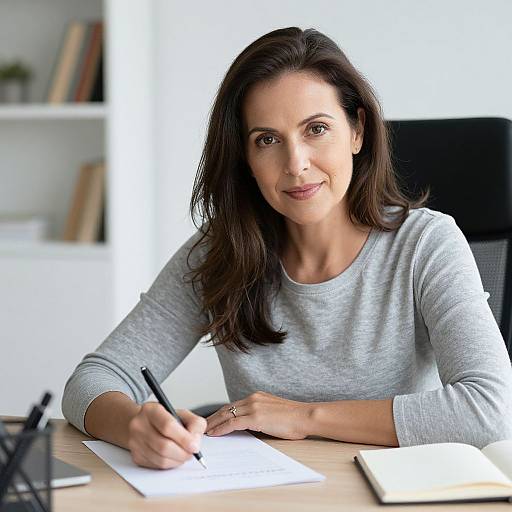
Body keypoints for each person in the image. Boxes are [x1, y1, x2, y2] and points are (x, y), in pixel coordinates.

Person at [62, 26, 512, 470]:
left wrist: (302, 417)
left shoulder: (425, 244)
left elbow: (490, 410)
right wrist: (134, 426)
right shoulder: (220, 252)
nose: (295, 164)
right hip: (264, 493)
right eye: (268, 140)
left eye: (315, 129)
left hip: (395, 492)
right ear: (246, 158)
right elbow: (91, 380)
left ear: (357, 132)